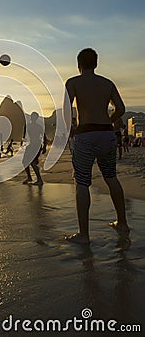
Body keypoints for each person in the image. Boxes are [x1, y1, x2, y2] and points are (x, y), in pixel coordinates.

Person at [65, 48, 129, 244]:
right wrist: (109, 120)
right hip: (107, 135)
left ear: (79, 64)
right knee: (111, 177)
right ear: (96, 63)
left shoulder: (73, 82)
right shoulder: (107, 83)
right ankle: (122, 223)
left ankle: (84, 235)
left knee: (82, 183)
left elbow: (68, 111)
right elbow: (121, 109)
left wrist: (70, 131)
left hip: (86, 135)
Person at [22, 112, 44, 186]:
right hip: (31, 145)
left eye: (34, 117)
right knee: (24, 162)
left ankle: (39, 180)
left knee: (33, 163)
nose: (33, 118)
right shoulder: (28, 126)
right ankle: (29, 178)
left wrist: (44, 147)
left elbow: (44, 137)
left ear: (36, 118)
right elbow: (24, 137)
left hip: (37, 145)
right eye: (32, 116)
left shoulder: (38, 127)